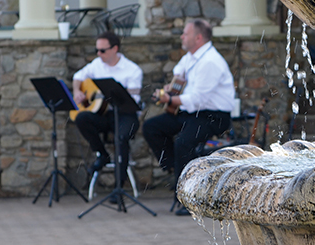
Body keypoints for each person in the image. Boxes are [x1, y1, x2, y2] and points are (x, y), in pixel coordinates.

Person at [142, 19, 234, 215]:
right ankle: (176, 170)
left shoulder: (210, 61)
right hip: (191, 113)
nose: (182, 36)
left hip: (212, 116)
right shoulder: (190, 57)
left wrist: (168, 98)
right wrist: (170, 89)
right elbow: (179, 73)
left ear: (198, 37)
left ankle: (188, 200)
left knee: (183, 143)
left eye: (185, 33)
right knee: (152, 127)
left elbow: (198, 99)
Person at [72, 31, 143, 184]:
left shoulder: (132, 70)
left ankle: (119, 185)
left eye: (102, 50)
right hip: (104, 114)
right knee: (81, 118)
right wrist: (77, 91)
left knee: (121, 138)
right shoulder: (97, 64)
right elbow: (78, 77)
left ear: (115, 49)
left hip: (126, 115)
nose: (99, 54)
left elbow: (133, 100)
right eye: (96, 50)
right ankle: (102, 154)